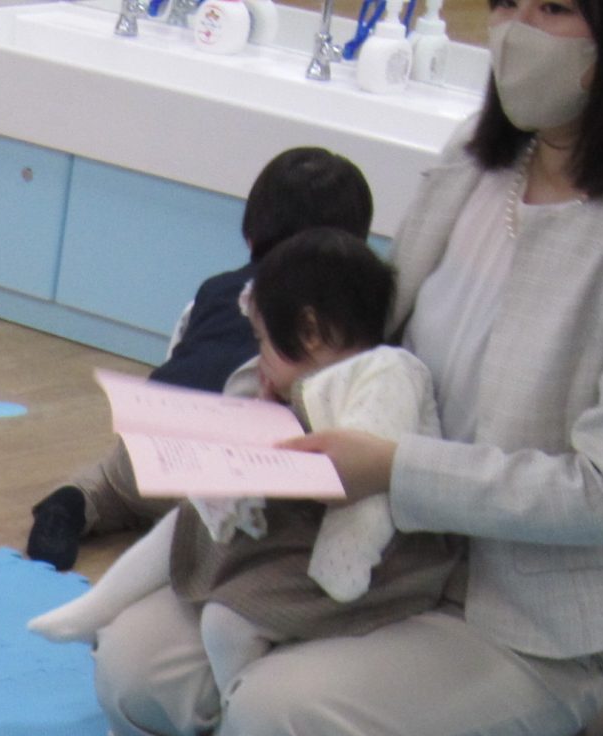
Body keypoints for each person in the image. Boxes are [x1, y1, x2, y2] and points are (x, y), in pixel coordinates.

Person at [93, 0, 603, 736]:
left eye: (554, 9)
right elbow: (372, 342)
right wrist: (278, 388)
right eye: (506, 3)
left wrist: (393, 470)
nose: (515, 30)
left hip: (521, 616)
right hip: (374, 557)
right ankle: (380, 722)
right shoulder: (476, 161)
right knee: (137, 676)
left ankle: (539, 730)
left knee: (280, 720)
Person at [30, 230, 461, 697]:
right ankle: (97, 608)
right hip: (307, 532)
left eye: (263, 341)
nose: (259, 358)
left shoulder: (387, 373)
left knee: (227, 621)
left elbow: (365, 496)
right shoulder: (305, 380)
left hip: (372, 561)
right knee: (189, 519)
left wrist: (342, 570)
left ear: (310, 332)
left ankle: (237, 705)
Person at [28, 146, 376, 571]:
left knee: (108, 482)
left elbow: (180, 355)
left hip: (150, 454)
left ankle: (71, 503)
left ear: (251, 233)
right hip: (228, 484)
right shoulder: (338, 324)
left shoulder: (216, 290)